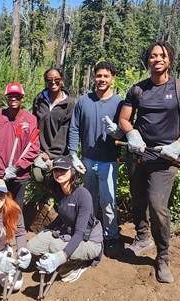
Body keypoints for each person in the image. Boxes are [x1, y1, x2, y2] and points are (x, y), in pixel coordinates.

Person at [118, 41, 180, 283]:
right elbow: (125, 119)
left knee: (157, 206)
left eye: (162, 55)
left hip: (165, 159)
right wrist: (132, 134)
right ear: (148, 61)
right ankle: (142, 237)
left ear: (170, 60)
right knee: (138, 199)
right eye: (152, 56)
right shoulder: (137, 90)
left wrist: (178, 146)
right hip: (139, 154)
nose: (157, 59)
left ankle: (163, 257)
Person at [68, 61, 124, 258]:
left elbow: (126, 131)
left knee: (108, 201)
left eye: (106, 76)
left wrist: (117, 132)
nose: (101, 79)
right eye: (99, 76)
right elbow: (74, 127)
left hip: (109, 160)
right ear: (94, 77)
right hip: (87, 160)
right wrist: (73, 154)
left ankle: (111, 236)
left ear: (112, 79)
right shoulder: (84, 101)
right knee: (88, 199)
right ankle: (90, 232)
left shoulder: (119, 103)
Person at [28, 156, 103, 283]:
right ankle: (63, 256)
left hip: (89, 240)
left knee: (55, 246)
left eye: (63, 170)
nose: (59, 173)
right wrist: (46, 230)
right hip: (70, 234)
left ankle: (76, 265)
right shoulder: (60, 192)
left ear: (72, 172)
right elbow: (63, 217)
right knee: (32, 246)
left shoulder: (83, 195)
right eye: (56, 170)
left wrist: (61, 257)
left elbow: (80, 232)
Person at [0, 83, 40, 210]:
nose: (13, 98)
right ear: (6, 98)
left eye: (17, 96)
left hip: (19, 175)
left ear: (22, 98)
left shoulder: (30, 120)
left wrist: (17, 167)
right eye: (10, 96)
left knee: (16, 209)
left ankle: (15, 230)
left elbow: (33, 149)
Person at [31, 67, 76, 183]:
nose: (53, 82)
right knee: (38, 177)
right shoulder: (39, 99)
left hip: (59, 151)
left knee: (59, 180)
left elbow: (64, 131)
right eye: (49, 80)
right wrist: (35, 149)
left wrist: (51, 153)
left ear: (62, 80)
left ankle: (57, 197)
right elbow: (34, 122)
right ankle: (45, 196)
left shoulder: (69, 104)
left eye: (57, 79)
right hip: (39, 149)